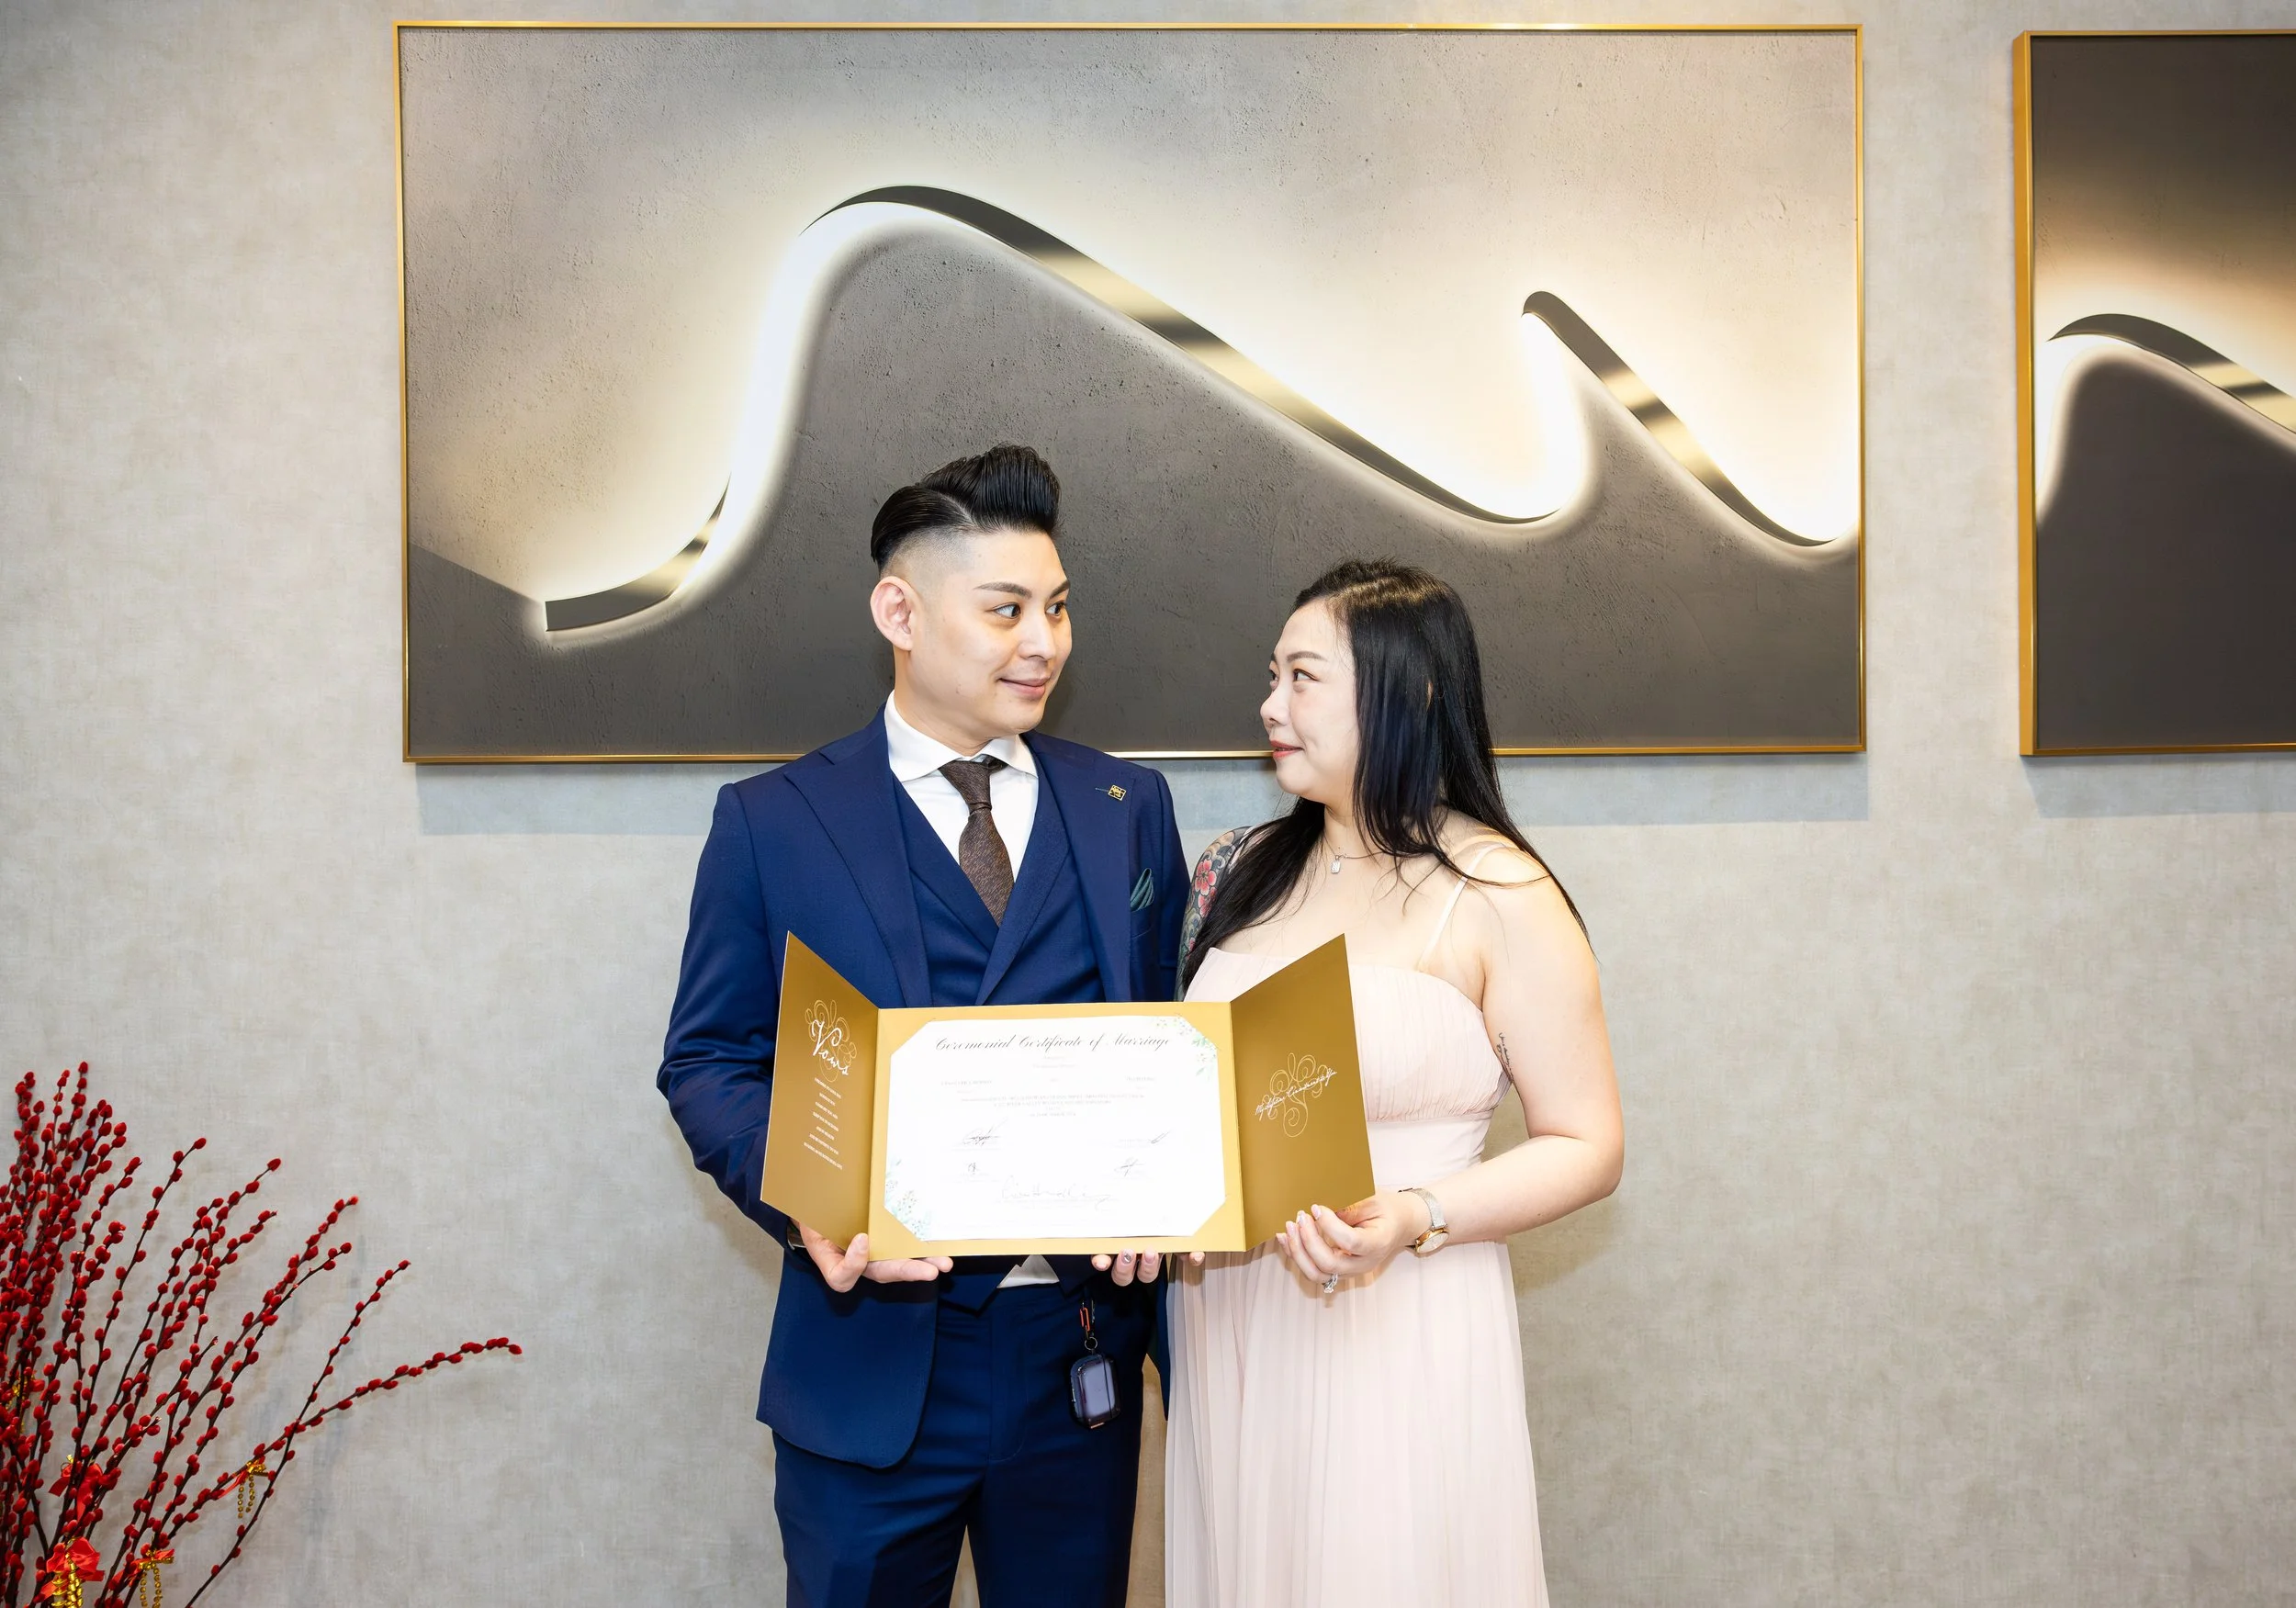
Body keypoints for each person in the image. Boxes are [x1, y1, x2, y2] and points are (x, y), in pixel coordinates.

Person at [658, 444, 1189, 1608]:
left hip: (1075, 1352)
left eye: (1057, 607)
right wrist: (813, 1198)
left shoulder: (1126, 805)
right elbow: (708, 1058)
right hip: (868, 1355)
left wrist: (1168, 1186)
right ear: (899, 611)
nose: (1043, 641)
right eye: (1005, 609)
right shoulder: (773, 821)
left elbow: (1167, 1039)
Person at [1163, 558, 1625, 1608]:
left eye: (1303, 678)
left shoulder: (1498, 891)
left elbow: (1588, 1142)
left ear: (1405, 692)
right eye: (1271, 675)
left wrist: (1416, 1213)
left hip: (1401, 1311)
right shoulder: (1237, 870)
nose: (1270, 705)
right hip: (1232, 1315)